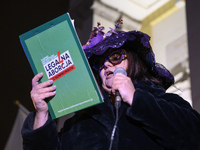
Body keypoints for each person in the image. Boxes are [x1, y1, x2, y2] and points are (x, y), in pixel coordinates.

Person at [21, 22, 200, 150]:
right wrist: (42, 114)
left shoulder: (165, 102)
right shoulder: (79, 122)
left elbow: (194, 137)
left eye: (115, 57)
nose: (106, 65)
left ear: (134, 62)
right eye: (99, 63)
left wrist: (136, 99)